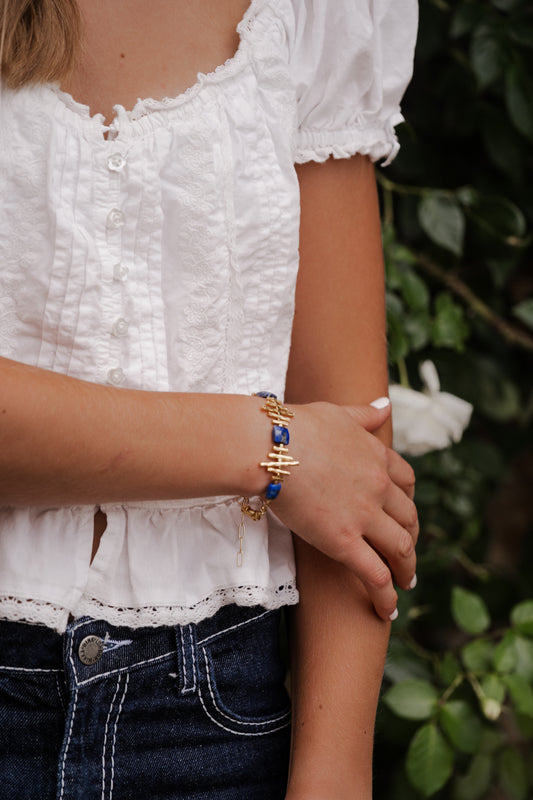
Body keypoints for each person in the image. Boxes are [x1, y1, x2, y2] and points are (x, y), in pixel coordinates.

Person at [0, 1, 418, 797]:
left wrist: (333, 774)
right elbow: (315, 454)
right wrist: (268, 448)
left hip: (216, 723)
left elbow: (353, 458)